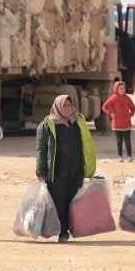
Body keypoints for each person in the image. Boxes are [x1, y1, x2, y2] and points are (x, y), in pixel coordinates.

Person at [35, 95, 96, 243]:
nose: (67, 108)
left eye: (69, 105)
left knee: (73, 201)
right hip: (57, 172)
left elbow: (86, 145)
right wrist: (40, 171)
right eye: (64, 105)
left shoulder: (78, 122)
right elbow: (41, 149)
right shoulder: (46, 125)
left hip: (76, 169)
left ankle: (72, 228)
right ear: (57, 107)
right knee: (60, 202)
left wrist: (88, 167)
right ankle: (62, 232)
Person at [102, 81, 135, 162]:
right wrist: (110, 114)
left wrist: (131, 114)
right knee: (119, 141)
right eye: (120, 89)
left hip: (127, 124)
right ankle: (120, 156)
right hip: (117, 124)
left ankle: (129, 156)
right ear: (116, 89)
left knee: (128, 140)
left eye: (124, 88)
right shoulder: (113, 98)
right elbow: (104, 107)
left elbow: (133, 108)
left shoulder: (127, 98)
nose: (122, 90)